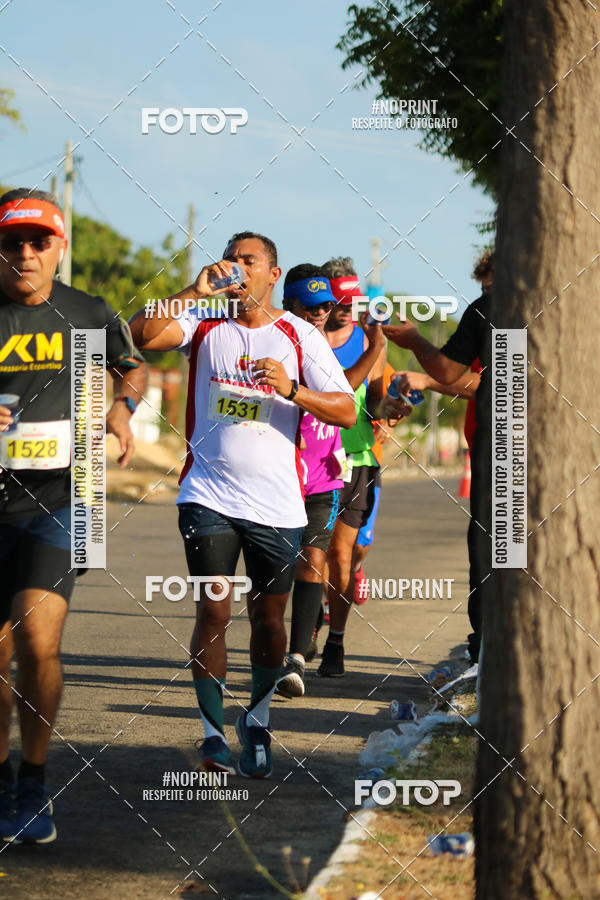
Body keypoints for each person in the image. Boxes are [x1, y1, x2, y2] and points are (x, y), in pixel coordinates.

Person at [130, 232, 355, 778]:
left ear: (272, 274)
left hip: (277, 504)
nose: (236, 268)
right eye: (231, 259)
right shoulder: (205, 323)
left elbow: (346, 410)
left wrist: (292, 390)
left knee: (268, 618)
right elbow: (138, 334)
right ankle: (212, 735)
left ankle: (256, 720)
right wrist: (193, 290)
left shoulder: (300, 333)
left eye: (248, 261)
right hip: (207, 494)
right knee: (213, 609)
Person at [0, 188, 147, 844]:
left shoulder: (86, 313)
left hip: (63, 498)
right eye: (12, 242)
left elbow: (132, 368)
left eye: (39, 242)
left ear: (59, 247)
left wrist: (121, 408)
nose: (25, 254)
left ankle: (33, 781)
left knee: (37, 640)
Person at [383, 251, 494, 665]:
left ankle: (485, 646)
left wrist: (416, 346)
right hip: (510, 446)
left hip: (500, 447)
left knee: (487, 545)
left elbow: (459, 375)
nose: (485, 292)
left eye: (488, 284)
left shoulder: (489, 309)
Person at [317, 257, 409, 677]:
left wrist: (391, 408)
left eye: (352, 302)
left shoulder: (371, 341)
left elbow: (373, 402)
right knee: (312, 554)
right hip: (308, 457)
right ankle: (308, 629)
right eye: (339, 302)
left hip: (355, 457)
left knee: (344, 552)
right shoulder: (302, 336)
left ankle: (335, 641)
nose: (346, 310)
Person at [276, 265, 346, 698]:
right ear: (289, 304)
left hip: (322, 474)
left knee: (313, 559)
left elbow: (348, 400)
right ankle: (270, 650)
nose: (320, 313)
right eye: (311, 306)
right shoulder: (272, 341)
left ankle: (297, 658)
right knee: (274, 572)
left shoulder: (329, 345)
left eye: (326, 306)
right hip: (276, 476)